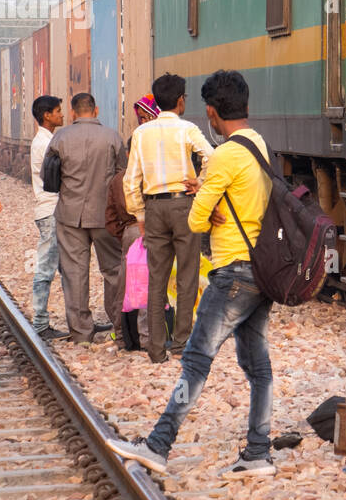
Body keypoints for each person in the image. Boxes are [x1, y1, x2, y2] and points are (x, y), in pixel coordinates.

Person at [107, 69, 277, 478]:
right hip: (259, 268)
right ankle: (258, 451)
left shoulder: (224, 155)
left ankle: (158, 445)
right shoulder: (258, 145)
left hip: (232, 271)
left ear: (213, 112)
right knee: (258, 366)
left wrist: (203, 195)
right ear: (247, 105)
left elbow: (199, 220)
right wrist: (208, 190)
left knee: (197, 360)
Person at [122, 74, 213, 363]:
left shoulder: (141, 134)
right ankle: (182, 343)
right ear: (180, 100)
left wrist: (139, 214)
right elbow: (211, 156)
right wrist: (199, 182)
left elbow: (130, 179)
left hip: (154, 208)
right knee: (187, 274)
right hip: (183, 205)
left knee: (156, 277)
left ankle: (156, 349)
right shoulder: (187, 129)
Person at [46, 93, 127, 346]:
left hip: (70, 215)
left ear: (72, 112)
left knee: (74, 272)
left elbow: (48, 176)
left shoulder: (60, 137)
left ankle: (81, 332)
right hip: (105, 216)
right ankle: (119, 327)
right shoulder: (112, 136)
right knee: (113, 270)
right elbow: (122, 175)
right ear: (96, 109)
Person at [105, 96, 160, 352]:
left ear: (128, 153)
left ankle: (122, 334)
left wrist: (125, 234)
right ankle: (150, 336)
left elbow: (110, 218)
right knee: (154, 283)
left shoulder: (119, 178)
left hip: (130, 232)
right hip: (156, 229)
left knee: (126, 286)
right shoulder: (157, 175)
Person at [29, 95, 67, 339]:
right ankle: (40, 322)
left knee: (65, 267)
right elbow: (58, 178)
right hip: (51, 211)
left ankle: (77, 320)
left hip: (54, 210)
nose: (62, 115)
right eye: (58, 111)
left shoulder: (48, 140)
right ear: (47, 116)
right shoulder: (45, 144)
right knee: (46, 267)